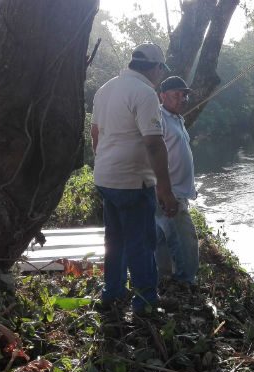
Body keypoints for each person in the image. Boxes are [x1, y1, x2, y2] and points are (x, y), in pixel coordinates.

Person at [91, 42, 178, 315]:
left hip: (106, 178)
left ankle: (112, 291)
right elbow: (153, 144)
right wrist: (165, 190)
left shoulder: (105, 89)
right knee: (141, 242)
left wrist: (105, 162)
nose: (161, 75)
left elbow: (95, 134)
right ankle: (145, 302)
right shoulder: (145, 93)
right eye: (161, 69)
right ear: (155, 67)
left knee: (114, 239)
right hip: (133, 182)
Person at [154, 76, 199, 286]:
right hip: (169, 193)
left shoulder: (176, 118)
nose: (182, 98)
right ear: (162, 96)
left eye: (184, 94)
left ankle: (165, 280)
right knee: (185, 242)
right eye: (176, 94)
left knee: (163, 240)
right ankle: (186, 282)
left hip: (177, 192)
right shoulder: (158, 118)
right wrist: (163, 191)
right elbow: (151, 153)